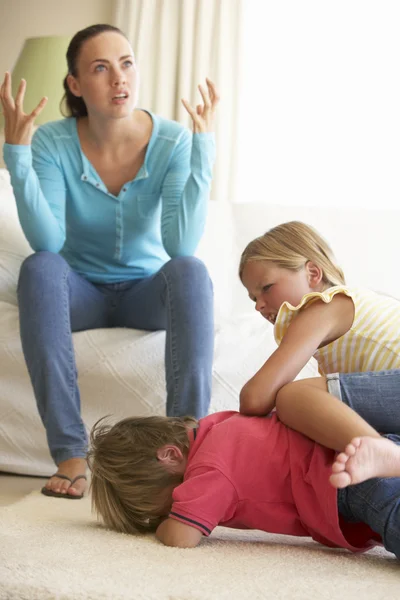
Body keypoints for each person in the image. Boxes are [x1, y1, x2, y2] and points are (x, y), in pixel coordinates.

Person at [0, 24, 219, 499]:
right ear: (76, 85)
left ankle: (187, 448)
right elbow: (47, 240)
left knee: (190, 271)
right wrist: (16, 153)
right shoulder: (53, 142)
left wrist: (202, 150)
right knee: (38, 267)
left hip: (146, 296)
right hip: (81, 292)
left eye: (126, 63)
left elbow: (180, 244)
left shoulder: (172, 142)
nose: (119, 78)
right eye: (100, 68)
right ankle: (70, 455)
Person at [88, 406, 400, 554]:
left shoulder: (209, 467)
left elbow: (180, 537)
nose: (180, 504)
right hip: (360, 459)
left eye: (172, 501)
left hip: (347, 485)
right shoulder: (220, 425)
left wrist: (166, 523)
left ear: (170, 456)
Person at [238, 220, 400, 452]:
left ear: (313, 273)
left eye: (266, 288)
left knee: (291, 397)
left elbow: (254, 399)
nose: (259, 306)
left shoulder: (326, 306)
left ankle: (381, 455)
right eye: (253, 299)